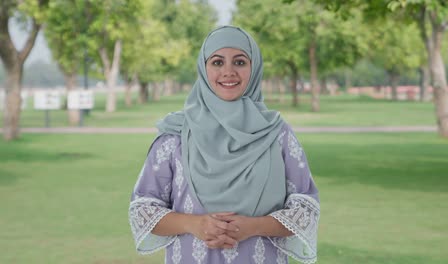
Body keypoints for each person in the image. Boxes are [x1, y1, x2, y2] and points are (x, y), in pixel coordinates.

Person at [128, 25, 320, 264]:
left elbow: (305, 209)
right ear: (203, 68)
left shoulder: (277, 134)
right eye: (217, 63)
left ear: (254, 68)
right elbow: (144, 209)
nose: (228, 72)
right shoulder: (176, 134)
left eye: (239, 62)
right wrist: (194, 224)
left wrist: (255, 226)